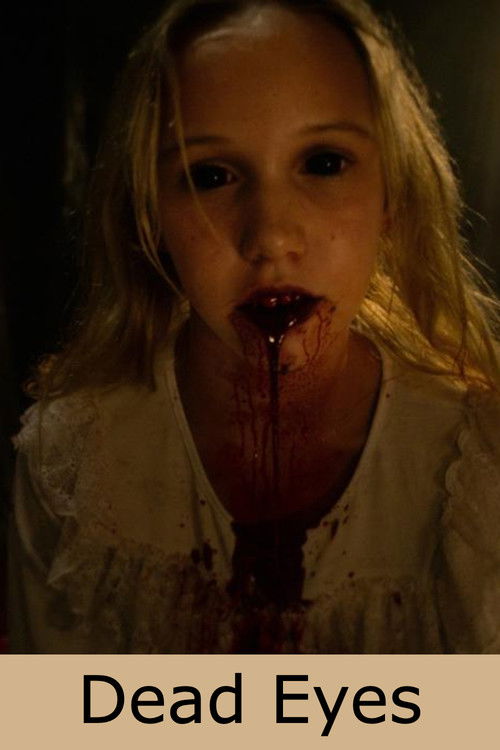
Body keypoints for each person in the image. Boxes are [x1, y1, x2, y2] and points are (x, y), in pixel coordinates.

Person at [8, 0, 500, 653]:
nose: (270, 238)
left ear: (392, 192)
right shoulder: (73, 467)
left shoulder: (476, 469)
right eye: (211, 175)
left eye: (323, 163)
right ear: (151, 213)